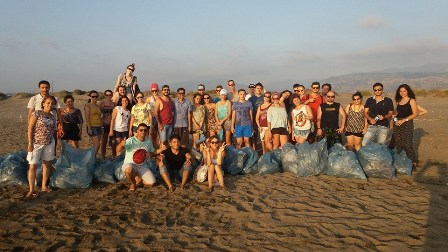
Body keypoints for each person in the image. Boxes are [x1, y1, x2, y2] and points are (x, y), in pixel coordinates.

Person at [26, 95, 57, 198]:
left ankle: (44, 186)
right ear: (43, 103)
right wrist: (30, 143)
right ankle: (31, 190)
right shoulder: (37, 113)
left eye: (52, 104)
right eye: (48, 103)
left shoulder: (52, 116)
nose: (50, 105)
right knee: (32, 166)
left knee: (47, 164)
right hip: (36, 143)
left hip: (49, 143)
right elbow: (30, 128)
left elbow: (53, 130)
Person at [118, 123, 156, 192]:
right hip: (130, 164)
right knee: (129, 170)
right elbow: (117, 150)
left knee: (151, 183)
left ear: (147, 132)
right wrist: (121, 145)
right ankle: (133, 184)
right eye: (141, 130)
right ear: (137, 131)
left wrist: (162, 149)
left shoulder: (148, 142)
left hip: (142, 166)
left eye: (145, 130)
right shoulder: (131, 140)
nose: (143, 132)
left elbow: (153, 153)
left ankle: (138, 177)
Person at [27, 80, 62, 153]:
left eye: (46, 87)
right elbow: (30, 114)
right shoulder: (34, 99)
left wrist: (61, 126)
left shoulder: (54, 99)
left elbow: (59, 113)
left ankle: (49, 163)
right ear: (39, 88)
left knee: (52, 149)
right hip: (38, 130)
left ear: (49, 88)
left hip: (52, 128)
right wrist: (30, 127)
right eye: (42, 87)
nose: (44, 89)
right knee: (36, 150)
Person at [392, 84, 419, 169]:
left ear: (408, 91)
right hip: (397, 123)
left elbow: (415, 114)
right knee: (398, 143)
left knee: (407, 144)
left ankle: (413, 162)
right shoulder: (398, 101)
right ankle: (402, 161)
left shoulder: (411, 100)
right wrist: (394, 117)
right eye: (400, 91)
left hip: (407, 123)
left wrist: (404, 120)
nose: (402, 93)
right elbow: (396, 113)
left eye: (404, 91)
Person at [85, 90, 103, 157]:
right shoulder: (88, 106)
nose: (94, 98)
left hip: (99, 126)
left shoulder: (98, 106)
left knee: (96, 145)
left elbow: (100, 117)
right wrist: (89, 128)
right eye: (93, 96)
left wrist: (102, 127)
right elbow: (87, 118)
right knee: (97, 145)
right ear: (90, 97)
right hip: (92, 126)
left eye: (96, 96)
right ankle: (91, 159)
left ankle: (93, 157)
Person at [100, 90, 116, 159]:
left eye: (110, 95)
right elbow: (99, 114)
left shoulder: (113, 104)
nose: (108, 96)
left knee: (113, 142)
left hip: (112, 124)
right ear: (104, 95)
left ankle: (113, 156)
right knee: (104, 141)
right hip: (104, 124)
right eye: (107, 95)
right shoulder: (102, 104)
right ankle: (103, 157)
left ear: (112, 95)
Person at [248, 82, 264, 150]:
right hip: (254, 118)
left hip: (263, 118)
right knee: (254, 136)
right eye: (257, 88)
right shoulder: (251, 99)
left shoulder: (264, 97)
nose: (259, 89)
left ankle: (265, 151)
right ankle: (255, 151)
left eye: (260, 88)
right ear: (255, 89)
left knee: (263, 137)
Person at [146, 83, 160, 148]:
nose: (154, 92)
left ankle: (159, 150)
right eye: (153, 91)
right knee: (152, 134)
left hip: (160, 118)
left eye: (156, 90)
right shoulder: (149, 99)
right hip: (152, 118)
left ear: (158, 90)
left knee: (159, 135)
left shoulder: (160, 98)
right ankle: (153, 149)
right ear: (151, 91)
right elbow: (145, 108)